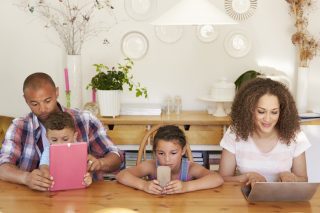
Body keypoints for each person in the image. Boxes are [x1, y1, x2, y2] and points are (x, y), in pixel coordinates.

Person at [0, 72, 122, 191]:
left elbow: (116, 156)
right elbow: (3, 167)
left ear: (57, 92)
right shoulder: (19, 126)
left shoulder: (85, 120)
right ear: (25, 100)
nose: (42, 109)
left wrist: (100, 163)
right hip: (34, 201)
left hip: (84, 196)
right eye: (34, 104)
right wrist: (26, 178)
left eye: (47, 101)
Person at [219, 78, 311, 186]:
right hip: (245, 199)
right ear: (249, 110)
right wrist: (247, 177)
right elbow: (222, 178)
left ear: (282, 112)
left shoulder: (295, 135)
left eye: (274, 112)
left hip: (283, 200)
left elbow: (303, 179)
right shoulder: (235, 133)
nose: (267, 119)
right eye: (261, 111)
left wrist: (292, 178)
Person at [116, 125, 223, 195]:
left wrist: (186, 186)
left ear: (183, 150)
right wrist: (144, 185)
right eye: (161, 153)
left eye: (173, 153)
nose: (167, 159)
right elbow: (121, 175)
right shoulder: (151, 166)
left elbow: (217, 178)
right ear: (155, 152)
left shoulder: (190, 168)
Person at [39, 111, 92, 188]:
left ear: (74, 136)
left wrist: (88, 178)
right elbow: (44, 166)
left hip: (77, 189)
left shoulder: (80, 149)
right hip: (56, 188)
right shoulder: (48, 150)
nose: (59, 144)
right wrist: (46, 174)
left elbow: (85, 170)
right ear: (47, 137)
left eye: (65, 139)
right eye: (54, 140)